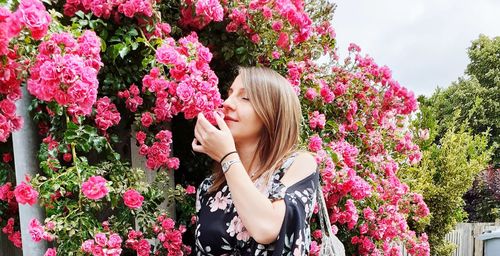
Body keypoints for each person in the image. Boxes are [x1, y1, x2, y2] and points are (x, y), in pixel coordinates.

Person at [192, 66, 320, 255]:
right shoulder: (209, 187)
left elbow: (266, 228)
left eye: (244, 98)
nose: (227, 103)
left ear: (272, 112)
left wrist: (227, 156)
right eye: (230, 94)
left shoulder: (298, 165)